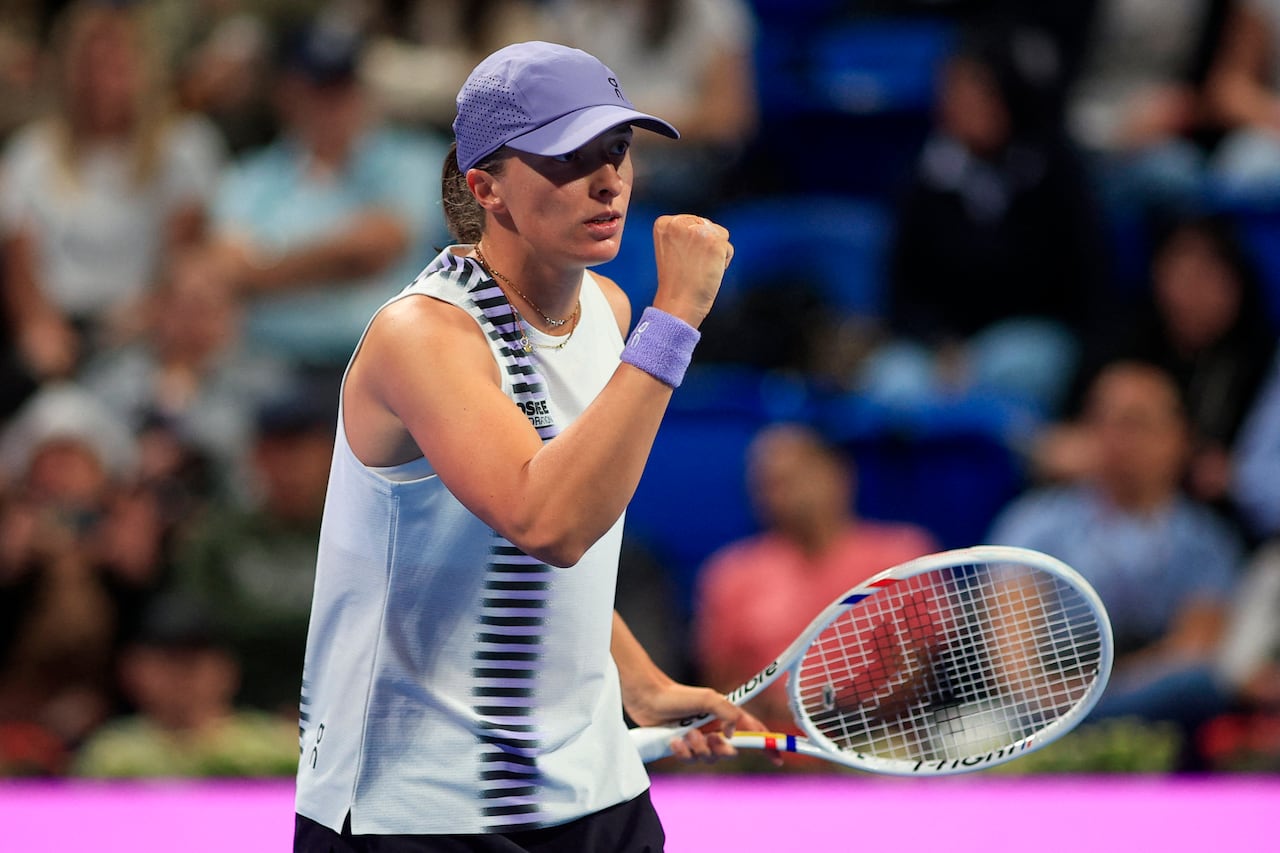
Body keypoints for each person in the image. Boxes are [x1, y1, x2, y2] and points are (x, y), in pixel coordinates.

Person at [292, 41, 770, 850]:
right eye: (567, 158)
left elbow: (562, 533)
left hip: (595, 785)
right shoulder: (423, 335)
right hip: (420, 805)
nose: (608, 178)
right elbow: (547, 524)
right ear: (487, 188)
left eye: (616, 149)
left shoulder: (611, 311)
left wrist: (642, 683)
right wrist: (679, 316)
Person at [989, 360, 1242, 749]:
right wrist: (1060, 707)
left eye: (1135, 423)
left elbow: (1193, 653)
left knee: (1196, 686)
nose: (1115, 438)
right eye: (1101, 420)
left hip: (1153, 712)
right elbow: (1013, 666)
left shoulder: (1206, 542)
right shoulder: (1033, 523)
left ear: (1179, 439)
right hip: (1041, 714)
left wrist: (1095, 703)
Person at [199, 17, 449, 368]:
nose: (335, 103)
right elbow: (226, 270)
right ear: (287, 94)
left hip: (384, 362)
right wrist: (337, 257)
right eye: (319, 88)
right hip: (269, 361)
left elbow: (377, 248)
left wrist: (266, 266)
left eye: (343, 86)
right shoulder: (251, 177)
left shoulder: (413, 159)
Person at [0, 0, 225, 382]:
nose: (103, 81)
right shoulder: (31, 155)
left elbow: (185, 257)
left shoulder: (184, 148)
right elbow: (20, 262)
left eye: (117, 65)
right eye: (91, 66)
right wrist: (39, 329)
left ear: (144, 69)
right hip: (63, 328)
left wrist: (146, 319)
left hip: (148, 330)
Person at [692, 423, 939, 734]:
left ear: (839, 475)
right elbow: (723, 683)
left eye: (796, 476)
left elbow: (918, 673)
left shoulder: (902, 554)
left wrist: (832, 713)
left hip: (879, 737)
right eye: (768, 484)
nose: (782, 494)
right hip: (769, 743)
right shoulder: (730, 572)